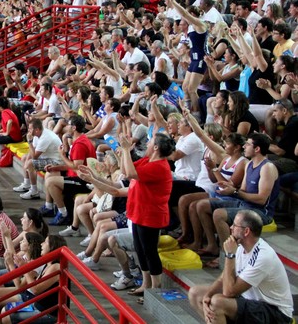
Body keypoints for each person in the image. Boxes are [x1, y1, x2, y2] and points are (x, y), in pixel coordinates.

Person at [188, 210, 293, 324]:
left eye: (235, 225)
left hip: (275, 312)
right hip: (250, 301)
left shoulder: (262, 256)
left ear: (246, 231)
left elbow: (229, 292)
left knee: (218, 302)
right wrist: (207, 296)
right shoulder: (241, 246)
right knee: (195, 293)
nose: (231, 227)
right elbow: (224, 278)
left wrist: (229, 255)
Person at [197, 133, 281, 258]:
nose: (244, 146)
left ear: (257, 149)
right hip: (244, 204)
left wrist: (234, 192)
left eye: (247, 144)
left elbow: (262, 199)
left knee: (218, 214)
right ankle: (212, 245)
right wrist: (230, 189)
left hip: (261, 212)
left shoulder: (267, 167)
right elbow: (242, 191)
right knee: (202, 205)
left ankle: (229, 256)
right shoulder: (250, 165)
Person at [119, 133, 175, 303]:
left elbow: (130, 173)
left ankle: (155, 288)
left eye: (150, 142)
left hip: (151, 214)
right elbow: (124, 171)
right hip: (139, 211)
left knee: (150, 252)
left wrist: (127, 149)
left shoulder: (159, 166)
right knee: (139, 249)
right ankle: (145, 283)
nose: (147, 144)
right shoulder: (148, 160)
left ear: (156, 147)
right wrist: (123, 151)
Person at [12, 119, 62, 199]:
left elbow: (35, 156)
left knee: (30, 164)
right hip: (46, 157)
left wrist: (29, 142)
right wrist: (26, 163)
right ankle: (26, 184)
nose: (28, 130)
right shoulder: (37, 134)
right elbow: (32, 152)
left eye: (30, 128)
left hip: (56, 161)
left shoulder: (45, 137)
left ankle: (34, 191)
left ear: (37, 129)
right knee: (25, 157)